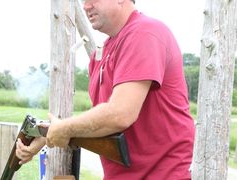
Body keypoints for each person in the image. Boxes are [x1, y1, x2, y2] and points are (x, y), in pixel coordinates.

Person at [16, 0, 195, 179]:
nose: (86, 7)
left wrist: (65, 129)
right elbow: (103, 123)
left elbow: (119, 114)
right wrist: (47, 134)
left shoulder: (145, 32)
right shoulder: (100, 54)